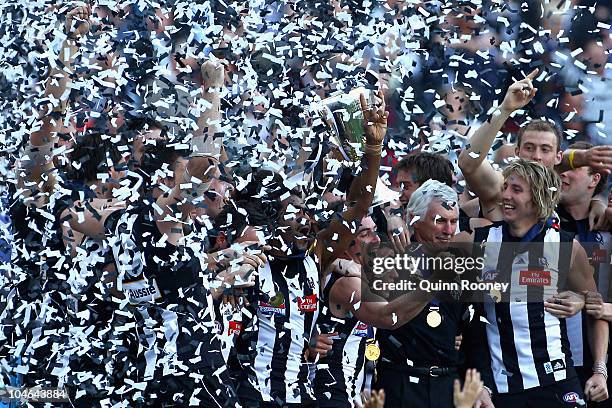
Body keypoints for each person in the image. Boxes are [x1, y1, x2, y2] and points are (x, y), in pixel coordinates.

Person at [226, 91, 388, 407]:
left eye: (308, 211)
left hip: (300, 396)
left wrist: (372, 148)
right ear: (273, 216)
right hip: (250, 397)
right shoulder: (251, 258)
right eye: (296, 212)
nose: (307, 220)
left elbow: (357, 206)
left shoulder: (316, 255)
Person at [454, 159, 608, 407]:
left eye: (516, 190)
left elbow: (595, 307)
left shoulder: (565, 246)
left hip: (557, 381)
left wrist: (600, 370)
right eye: (505, 187)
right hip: (502, 387)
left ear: (537, 198)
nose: (505, 195)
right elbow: (465, 318)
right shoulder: (478, 241)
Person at [458, 68, 612, 230]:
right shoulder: (502, 191)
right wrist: (504, 109)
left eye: (545, 149)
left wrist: (597, 204)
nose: (536, 156)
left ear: (558, 156)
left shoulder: (559, 195)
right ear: (517, 152)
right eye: (529, 148)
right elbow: (468, 163)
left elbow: (582, 197)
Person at [374, 179, 472, 408]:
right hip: (399, 385)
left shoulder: (462, 264)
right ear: (416, 221)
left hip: (447, 387)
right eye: (440, 221)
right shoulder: (388, 260)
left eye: (453, 222)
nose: (449, 230)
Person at [555, 141, 612, 406]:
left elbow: (598, 302)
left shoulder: (607, 227)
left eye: (575, 168)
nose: (562, 173)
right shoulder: (545, 221)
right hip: (553, 361)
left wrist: (600, 308)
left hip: (601, 362)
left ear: (595, 179)